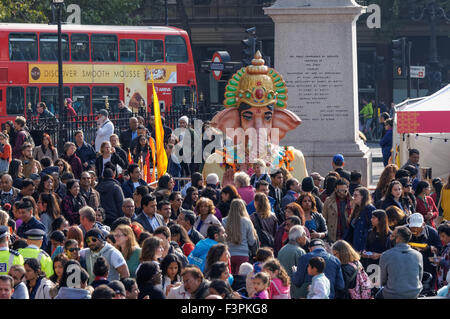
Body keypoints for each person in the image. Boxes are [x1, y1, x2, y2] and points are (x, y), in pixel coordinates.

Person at [377, 226, 423, 299]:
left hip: (392, 294)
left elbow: (382, 281)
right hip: (414, 293)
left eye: (392, 235)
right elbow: (419, 278)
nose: (390, 237)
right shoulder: (418, 255)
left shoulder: (385, 255)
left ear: (397, 239)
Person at [222, 199, 257, 274]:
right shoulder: (247, 221)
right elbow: (251, 241)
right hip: (243, 254)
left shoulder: (224, 221)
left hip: (228, 254)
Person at [407, 213, 442, 282]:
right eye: (412, 227)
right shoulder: (405, 230)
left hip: (427, 268)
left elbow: (439, 250)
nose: (414, 229)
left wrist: (429, 249)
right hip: (409, 267)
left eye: (417, 227)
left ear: (423, 224)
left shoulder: (433, 233)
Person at [277, 225, 307, 299]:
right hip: (295, 290)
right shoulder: (300, 251)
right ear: (299, 239)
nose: (306, 238)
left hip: (282, 287)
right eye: (304, 235)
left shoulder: (282, 249)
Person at [345, 187, 376, 252]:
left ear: (363, 196)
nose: (354, 197)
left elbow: (372, 227)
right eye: (353, 195)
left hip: (364, 245)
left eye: (356, 195)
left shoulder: (370, 209)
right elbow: (351, 229)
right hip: (355, 244)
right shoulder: (356, 209)